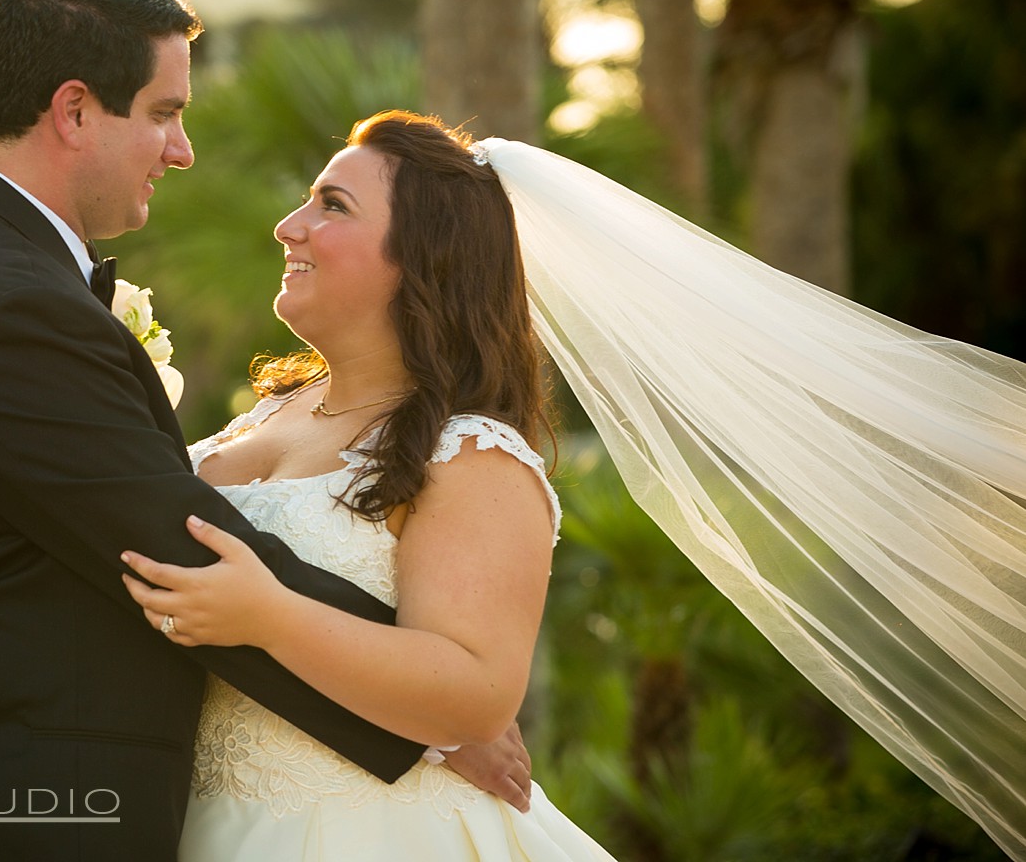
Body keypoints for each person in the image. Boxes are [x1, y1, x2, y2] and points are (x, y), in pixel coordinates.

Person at [121, 109, 1026, 860]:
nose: (290, 225)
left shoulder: (467, 456)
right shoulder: (249, 423)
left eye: (333, 206)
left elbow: (476, 690)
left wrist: (272, 617)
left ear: (422, 259)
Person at [0, 0, 528, 862]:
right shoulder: (6, 304)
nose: (182, 150)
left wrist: (441, 698)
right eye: (164, 113)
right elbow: (174, 545)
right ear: (74, 111)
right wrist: (434, 712)